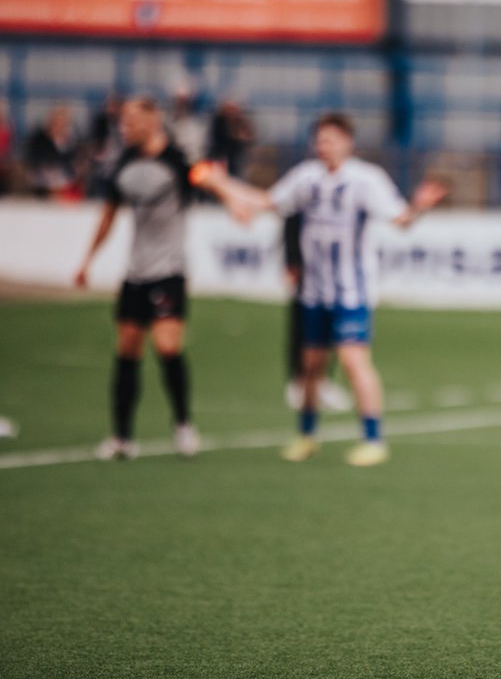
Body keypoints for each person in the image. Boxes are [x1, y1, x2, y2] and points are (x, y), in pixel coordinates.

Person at [194, 112, 447, 468]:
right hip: (314, 290)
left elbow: (400, 220)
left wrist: (419, 205)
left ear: (348, 142)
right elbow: (267, 202)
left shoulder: (365, 179)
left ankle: (373, 439)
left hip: (352, 291)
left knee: (353, 360)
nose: (323, 146)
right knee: (311, 366)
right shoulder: (306, 177)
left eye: (330, 139)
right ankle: (307, 434)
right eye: (319, 140)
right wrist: (222, 183)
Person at [73, 97, 229, 459]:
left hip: (168, 271)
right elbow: (109, 215)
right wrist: (87, 261)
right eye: (123, 120)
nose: (124, 126)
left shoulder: (176, 159)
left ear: (151, 120)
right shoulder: (122, 163)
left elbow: (205, 176)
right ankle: (122, 436)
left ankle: (184, 425)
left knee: (167, 347)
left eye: (131, 120)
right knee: (127, 350)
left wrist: (233, 200)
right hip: (135, 272)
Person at [283, 211, 352, 412]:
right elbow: (290, 217)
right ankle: (298, 380)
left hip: (334, 275)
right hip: (308, 272)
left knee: (331, 332)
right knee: (301, 329)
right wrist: (292, 259)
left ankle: (323, 381)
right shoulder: (305, 183)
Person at [25, 105, 82, 200]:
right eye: (58, 122)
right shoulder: (39, 139)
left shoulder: (72, 140)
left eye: (64, 122)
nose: (61, 125)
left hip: (65, 184)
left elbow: (74, 162)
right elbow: (33, 159)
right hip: (43, 182)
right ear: (51, 122)